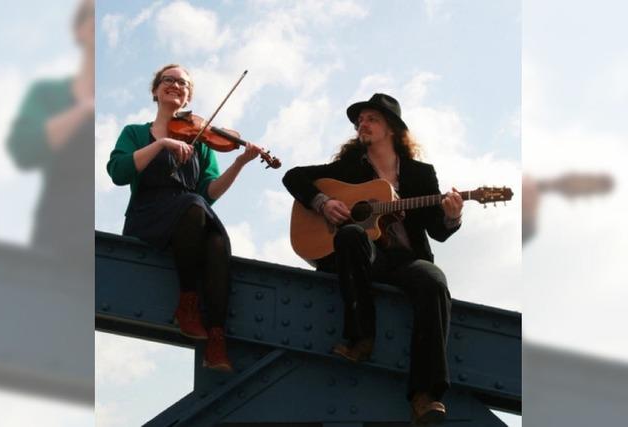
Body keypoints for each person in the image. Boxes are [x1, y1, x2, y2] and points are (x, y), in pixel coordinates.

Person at [282, 93, 463, 424]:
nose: (361, 125)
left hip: (405, 261)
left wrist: (452, 216)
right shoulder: (350, 169)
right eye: (359, 121)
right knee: (351, 234)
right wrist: (323, 203)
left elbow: (438, 230)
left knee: (434, 281)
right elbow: (293, 176)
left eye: (371, 119)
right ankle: (360, 338)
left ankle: (426, 395)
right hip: (364, 257)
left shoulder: (420, 174)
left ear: (391, 128)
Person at [107, 64, 260, 372]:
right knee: (194, 205)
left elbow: (210, 191)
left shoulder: (200, 141)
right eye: (169, 80)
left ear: (188, 97)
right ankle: (188, 300)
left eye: (183, 83)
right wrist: (162, 144)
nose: (175, 85)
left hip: (190, 217)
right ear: (155, 90)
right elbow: (118, 172)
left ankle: (216, 339)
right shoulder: (135, 133)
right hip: (148, 214)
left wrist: (241, 162)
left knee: (217, 241)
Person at [7, 0, 94, 260]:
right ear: (78, 30)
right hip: (59, 225)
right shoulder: (47, 93)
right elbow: (24, 151)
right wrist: (83, 109)